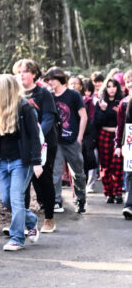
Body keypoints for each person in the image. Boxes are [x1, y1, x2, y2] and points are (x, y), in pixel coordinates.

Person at [0, 75, 42, 250]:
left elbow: (34, 137)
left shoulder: (25, 108)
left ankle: (17, 238)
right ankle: (31, 220)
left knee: (17, 198)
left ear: (6, 90)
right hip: (4, 161)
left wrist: (37, 161)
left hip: (22, 161)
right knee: (6, 199)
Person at [13, 59, 58, 233]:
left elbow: (48, 118)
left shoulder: (43, 93)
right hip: (22, 144)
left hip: (44, 143)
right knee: (22, 182)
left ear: (34, 74)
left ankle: (49, 218)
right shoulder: (15, 93)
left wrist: (36, 137)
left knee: (43, 181)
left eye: (25, 71)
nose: (21, 75)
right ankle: (22, 222)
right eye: (19, 72)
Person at [44, 67, 88, 214]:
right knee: (55, 171)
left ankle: (80, 198)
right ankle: (56, 200)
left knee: (78, 172)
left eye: (52, 79)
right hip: (55, 140)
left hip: (72, 140)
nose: (50, 82)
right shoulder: (49, 96)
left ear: (60, 79)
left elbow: (83, 116)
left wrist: (79, 137)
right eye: (48, 80)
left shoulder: (73, 95)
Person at [94, 78, 124, 203]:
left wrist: (120, 113)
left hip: (118, 136)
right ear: (105, 88)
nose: (111, 89)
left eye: (114, 86)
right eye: (109, 86)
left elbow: (125, 121)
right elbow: (97, 122)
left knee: (117, 165)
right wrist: (103, 110)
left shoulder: (122, 102)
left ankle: (117, 192)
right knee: (105, 166)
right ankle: (108, 192)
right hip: (104, 135)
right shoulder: (101, 102)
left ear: (117, 88)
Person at [114, 70, 132, 218]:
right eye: (128, 82)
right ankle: (129, 205)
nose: (130, 84)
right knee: (130, 174)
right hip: (130, 141)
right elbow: (121, 126)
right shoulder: (124, 103)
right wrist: (119, 145)